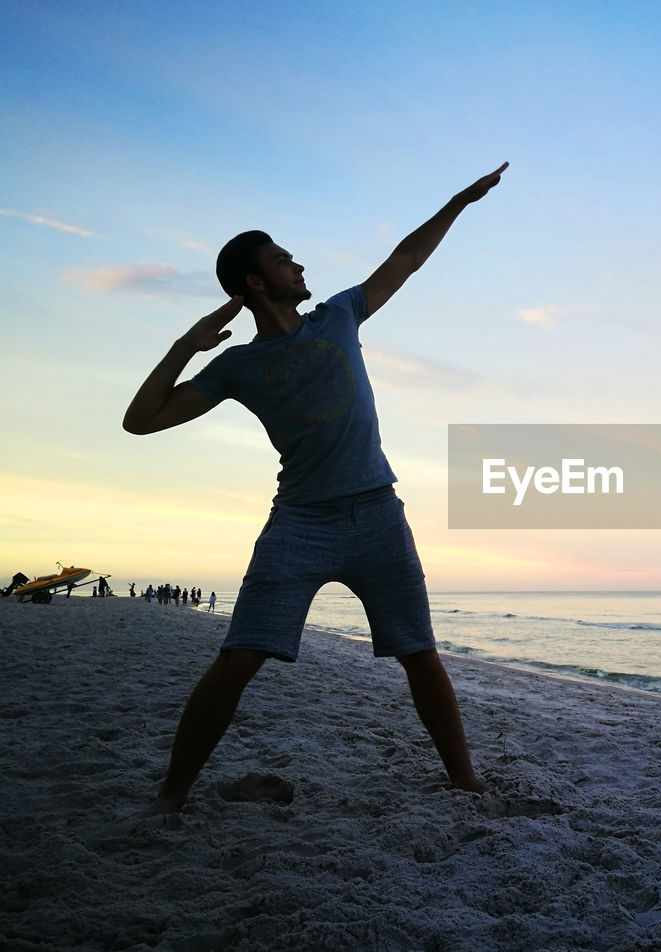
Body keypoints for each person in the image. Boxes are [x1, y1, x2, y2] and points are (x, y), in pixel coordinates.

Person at [123, 163, 506, 815]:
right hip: (299, 524)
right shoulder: (236, 366)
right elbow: (142, 421)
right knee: (239, 658)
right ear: (254, 281)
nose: (297, 265)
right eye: (282, 259)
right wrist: (184, 346)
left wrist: (458, 202)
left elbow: (405, 258)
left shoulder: (339, 316)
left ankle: (465, 781)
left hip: (379, 515)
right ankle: (171, 794)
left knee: (421, 655)